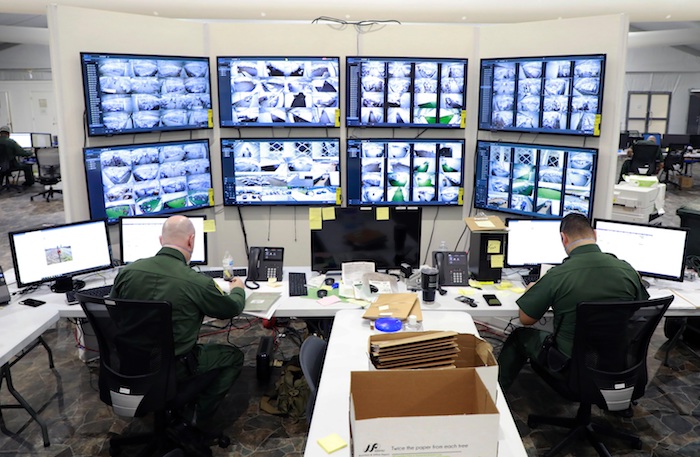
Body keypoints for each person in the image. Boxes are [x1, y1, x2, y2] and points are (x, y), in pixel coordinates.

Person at [110, 215, 246, 429]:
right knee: (234, 356)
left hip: (130, 364)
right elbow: (231, 309)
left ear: (160, 240)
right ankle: (194, 421)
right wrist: (238, 289)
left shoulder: (127, 273)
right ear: (191, 241)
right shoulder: (196, 282)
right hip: (177, 367)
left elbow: (115, 312)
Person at [497, 212, 649, 392]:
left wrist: (534, 289)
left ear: (563, 238)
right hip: (617, 364)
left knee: (519, 336)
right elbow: (639, 308)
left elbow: (526, 319)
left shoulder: (558, 275)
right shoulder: (627, 270)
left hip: (569, 365)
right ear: (595, 234)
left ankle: (493, 396)